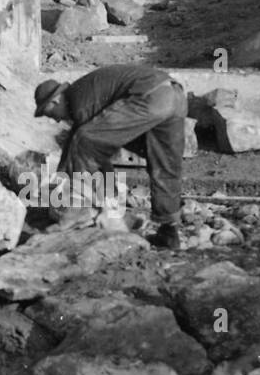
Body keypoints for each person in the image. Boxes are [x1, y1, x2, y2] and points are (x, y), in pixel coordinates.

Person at [33, 65, 186, 251]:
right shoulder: (85, 94)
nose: (56, 120)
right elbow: (95, 150)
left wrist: (102, 199)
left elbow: (88, 148)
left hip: (150, 97)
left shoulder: (80, 102)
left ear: (55, 101)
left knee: (84, 139)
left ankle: (82, 212)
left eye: (49, 113)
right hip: (175, 96)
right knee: (165, 164)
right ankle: (169, 233)